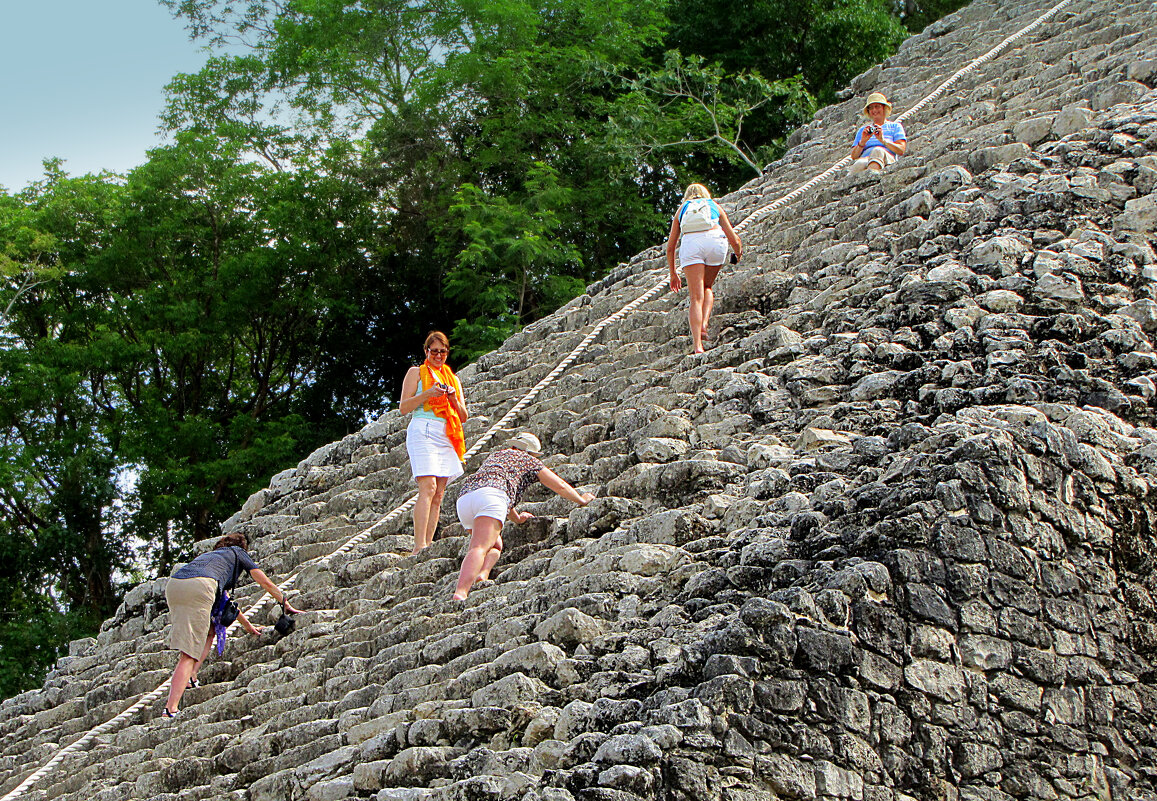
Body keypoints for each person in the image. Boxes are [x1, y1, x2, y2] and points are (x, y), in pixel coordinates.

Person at [163, 532, 301, 717]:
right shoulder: (237, 552)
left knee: (210, 632)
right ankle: (170, 709)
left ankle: (192, 676)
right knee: (188, 653)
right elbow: (264, 581)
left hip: (175, 586)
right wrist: (284, 601)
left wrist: (248, 626)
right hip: (199, 587)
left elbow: (226, 602)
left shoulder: (210, 559)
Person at [452, 433, 594, 600]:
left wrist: (517, 518)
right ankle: (461, 592)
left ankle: (481, 574)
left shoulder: (496, 456)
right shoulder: (528, 460)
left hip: (465, 499)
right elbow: (560, 486)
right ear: (531, 453)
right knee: (479, 548)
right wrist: (581, 499)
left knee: (495, 545)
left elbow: (500, 492)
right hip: (491, 497)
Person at [399, 331, 469, 554]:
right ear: (426, 351)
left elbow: (464, 415)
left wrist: (452, 399)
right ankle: (418, 545)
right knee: (427, 487)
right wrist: (428, 393)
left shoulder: (453, 379)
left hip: (446, 432)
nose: (438, 355)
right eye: (434, 351)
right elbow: (404, 407)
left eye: (443, 351)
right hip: (423, 429)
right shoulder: (416, 373)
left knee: (439, 493)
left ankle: (428, 544)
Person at [665, 183, 742, 354]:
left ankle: (697, 345)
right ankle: (704, 325)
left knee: (695, 297)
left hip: (691, 245)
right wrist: (737, 253)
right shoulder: (714, 205)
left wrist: (673, 273)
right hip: (715, 241)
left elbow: (670, 247)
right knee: (707, 287)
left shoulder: (683, 209)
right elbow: (733, 238)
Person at [849, 92, 907, 173]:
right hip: (865, 159)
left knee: (877, 150)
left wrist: (883, 140)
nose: (874, 110)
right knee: (859, 163)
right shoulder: (863, 130)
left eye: (877, 107)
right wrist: (862, 142)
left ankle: (871, 177)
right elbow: (854, 156)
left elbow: (901, 150)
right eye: (871, 108)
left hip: (886, 158)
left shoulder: (895, 126)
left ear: (884, 108)